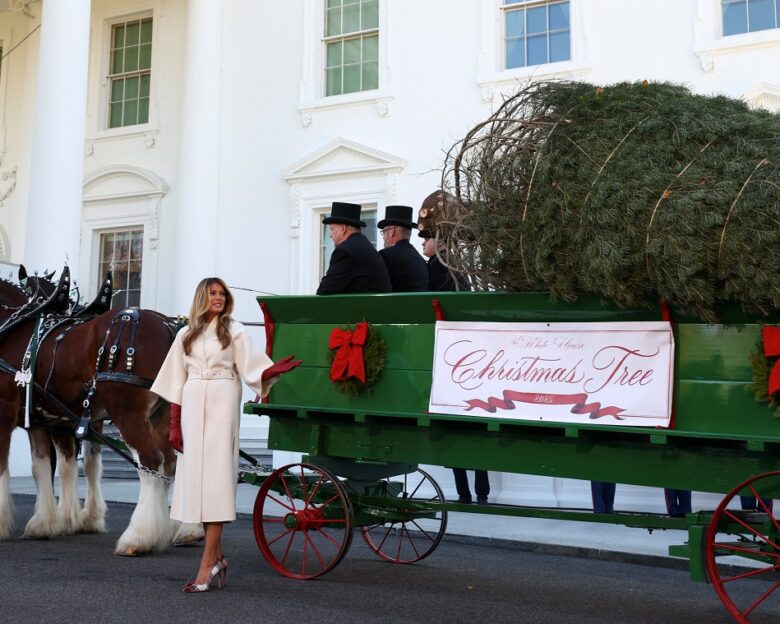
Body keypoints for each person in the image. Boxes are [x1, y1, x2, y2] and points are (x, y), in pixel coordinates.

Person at [151, 277, 301, 592]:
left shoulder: (233, 330)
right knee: (196, 481)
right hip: (192, 402)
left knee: (216, 480)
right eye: (213, 293)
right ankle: (217, 557)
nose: (218, 298)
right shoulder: (185, 335)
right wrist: (174, 424)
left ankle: (207, 565)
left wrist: (271, 371)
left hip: (222, 400)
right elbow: (175, 382)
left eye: (222, 294)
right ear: (201, 297)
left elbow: (252, 367)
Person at [420, 225, 488, 503]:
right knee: (473, 432)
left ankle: (466, 494)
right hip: (467, 349)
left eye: (426, 239)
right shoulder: (457, 265)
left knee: (458, 429)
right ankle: (480, 493)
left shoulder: (437, 266)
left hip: (448, 348)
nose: (423, 244)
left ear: (439, 242)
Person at [316, 202, 392, 295]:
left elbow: (325, 290)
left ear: (343, 228)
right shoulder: (364, 245)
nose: (330, 235)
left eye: (332, 229)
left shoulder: (345, 251)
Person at [377, 205, 428, 292]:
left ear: (391, 231)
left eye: (384, 232)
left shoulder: (386, 255)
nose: (383, 237)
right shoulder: (420, 259)